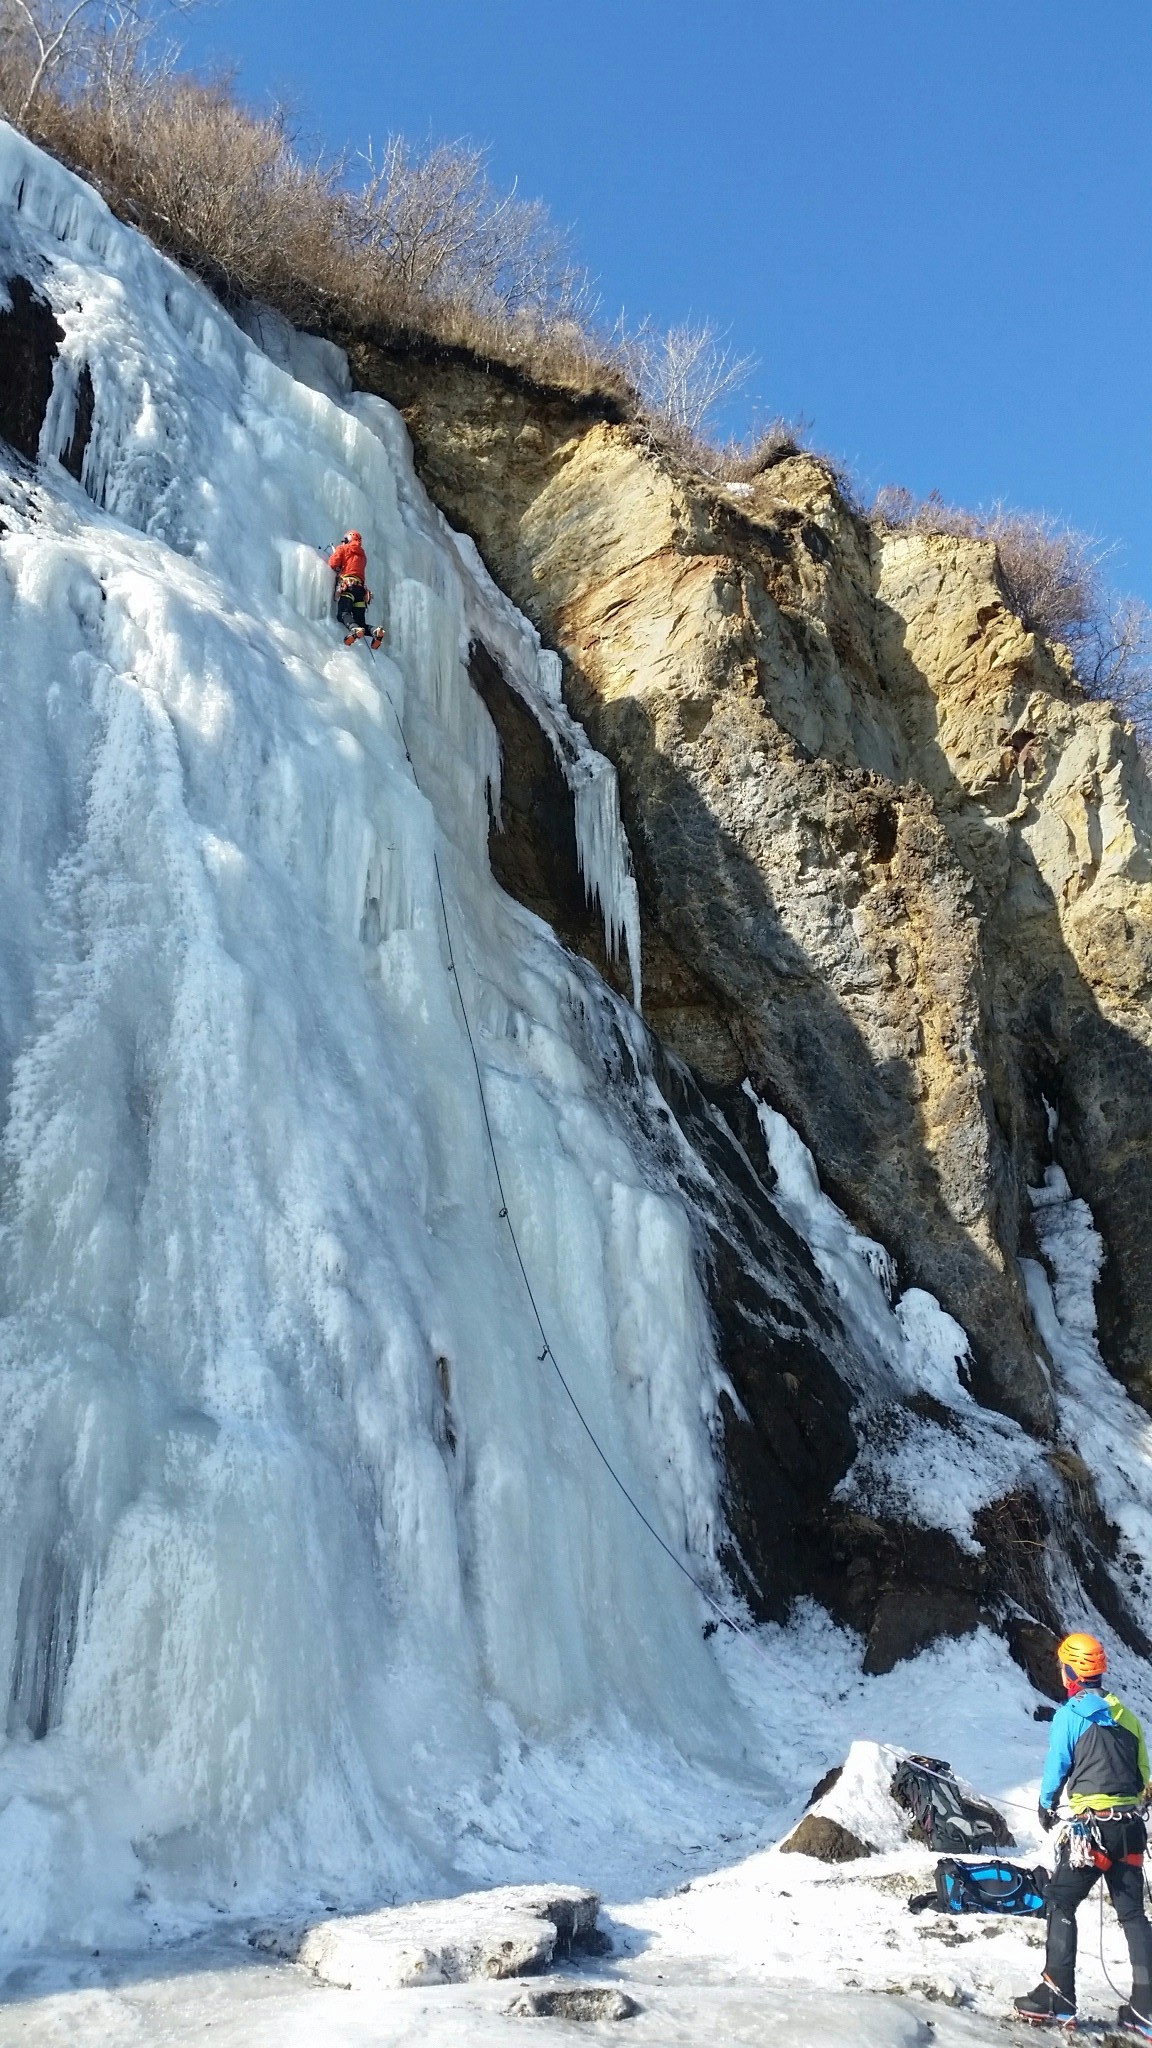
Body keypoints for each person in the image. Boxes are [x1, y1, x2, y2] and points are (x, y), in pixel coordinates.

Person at [1013, 1632, 1152, 2034]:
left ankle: (1057, 1997)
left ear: (1071, 1670)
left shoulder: (1069, 1715)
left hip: (1092, 1833)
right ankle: (1146, 2008)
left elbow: (1058, 1764)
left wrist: (1045, 1804)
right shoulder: (1127, 1715)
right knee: (1133, 1914)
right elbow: (1143, 1777)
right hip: (1130, 1830)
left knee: (1059, 1900)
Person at [327, 532, 383, 648]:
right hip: (360, 590)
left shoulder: (343, 548)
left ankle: (353, 629)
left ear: (349, 538)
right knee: (361, 623)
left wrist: (340, 549)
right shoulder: (362, 555)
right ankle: (375, 631)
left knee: (343, 613)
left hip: (348, 587)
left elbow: (333, 563)